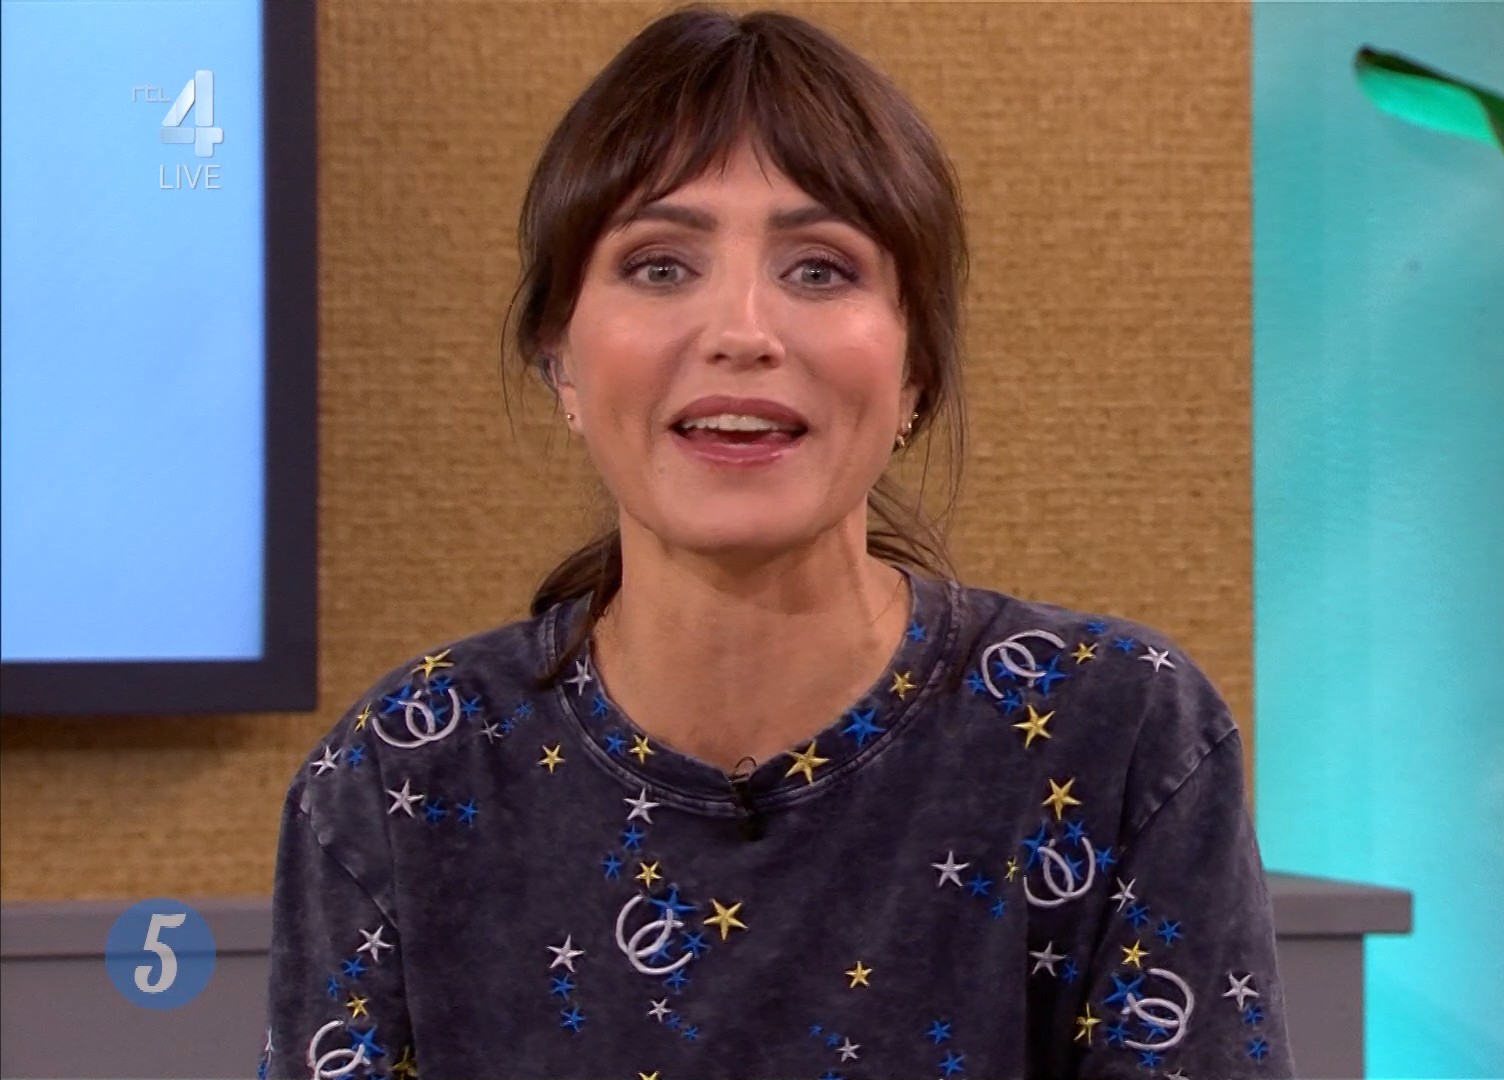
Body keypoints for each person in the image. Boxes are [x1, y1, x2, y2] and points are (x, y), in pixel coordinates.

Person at [261, 6, 1291, 1078]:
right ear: (559, 355)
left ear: (916, 370)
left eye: (820, 270)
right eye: (661, 265)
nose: (742, 333)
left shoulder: (1115, 730)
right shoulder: (407, 767)